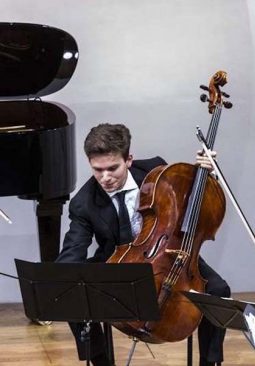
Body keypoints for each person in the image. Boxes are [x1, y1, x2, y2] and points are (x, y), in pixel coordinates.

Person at [56, 123, 230, 366]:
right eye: (98, 170)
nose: (105, 178)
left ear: (129, 159)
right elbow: (72, 251)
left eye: (112, 168)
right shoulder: (83, 203)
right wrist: (61, 280)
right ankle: (101, 362)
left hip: (170, 252)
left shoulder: (156, 172)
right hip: (118, 262)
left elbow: (189, 197)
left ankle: (210, 364)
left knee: (219, 291)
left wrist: (203, 173)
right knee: (75, 287)